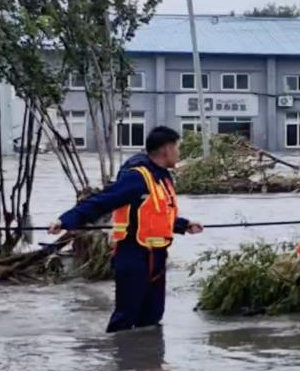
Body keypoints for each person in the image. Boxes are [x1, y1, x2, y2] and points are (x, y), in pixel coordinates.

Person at [49, 127, 203, 333]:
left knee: (152, 316)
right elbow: (101, 202)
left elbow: (156, 215)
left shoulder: (163, 178)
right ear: (166, 149)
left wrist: (184, 225)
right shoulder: (137, 178)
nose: (179, 153)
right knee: (125, 316)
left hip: (156, 257)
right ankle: (120, 360)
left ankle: (147, 360)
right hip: (132, 255)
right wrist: (65, 220)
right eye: (177, 148)